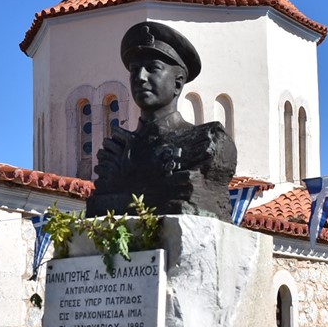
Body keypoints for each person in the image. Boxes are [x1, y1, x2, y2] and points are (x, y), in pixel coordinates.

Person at [86, 20, 237, 221]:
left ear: (178, 82)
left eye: (152, 68)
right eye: (134, 69)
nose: (140, 77)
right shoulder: (115, 152)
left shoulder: (206, 142)